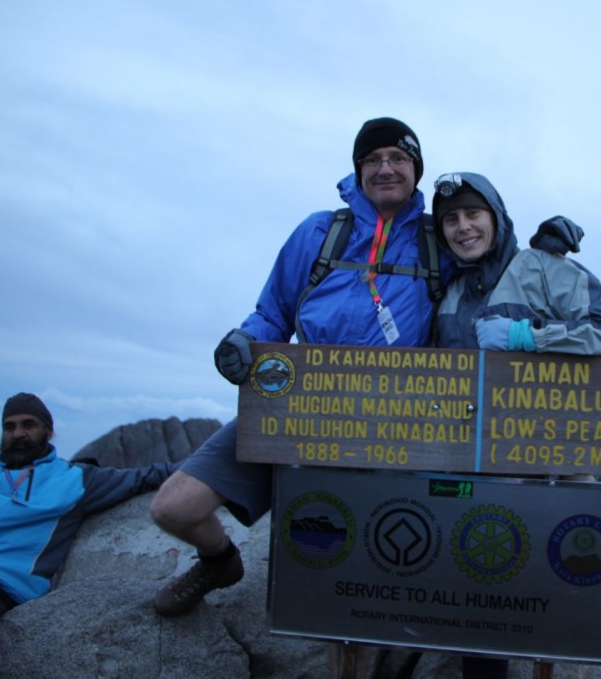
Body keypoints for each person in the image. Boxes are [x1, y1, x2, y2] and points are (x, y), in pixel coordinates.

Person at [149, 117, 449, 618]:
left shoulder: (435, 241)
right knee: (174, 508)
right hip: (300, 407)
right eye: (372, 160)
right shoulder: (318, 232)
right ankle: (219, 561)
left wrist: (546, 263)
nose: (385, 168)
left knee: (368, 562)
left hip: (391, 424)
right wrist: (245, 340)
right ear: (357, 171)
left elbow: (484, 275)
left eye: (398, 158)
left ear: (416, 169)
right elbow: (273, 312)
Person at [430, 172, 601, 679]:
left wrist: (525, 336)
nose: (463, 227)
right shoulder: (449, 288)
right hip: (481, 472)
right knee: (480, 599)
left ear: (496, 217)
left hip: (556, 465)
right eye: (451, 219)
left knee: (593, 594)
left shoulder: (540, 265)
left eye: (474, 214)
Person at [0, 393, 177, 679]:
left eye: (28, 425)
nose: (18, 434)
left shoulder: (75, 478)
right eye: (9, 427)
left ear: (48, 431)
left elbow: (145, 476)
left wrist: (213, 470)